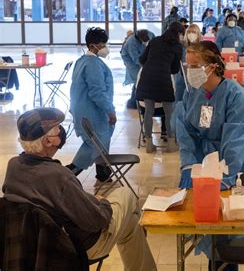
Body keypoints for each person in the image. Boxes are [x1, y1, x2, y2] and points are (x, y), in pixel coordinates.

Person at [3, 107, 157, 271]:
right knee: (126, 194)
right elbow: (97, 221)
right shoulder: (60, 176)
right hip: (75, 246)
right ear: (47, 141)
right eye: (58, 129)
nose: (62, 131)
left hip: (36, 245)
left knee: (131, 224)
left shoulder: (14, 166)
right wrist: (103, 203)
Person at [175, 40, 244, 190]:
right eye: (188, 66)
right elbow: (185, 132)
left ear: (212, 66)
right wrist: (188, 164)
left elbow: (235, 139)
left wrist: (226, 177)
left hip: (232, 160)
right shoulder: (192, 92)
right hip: (202, 157)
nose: (190, 72)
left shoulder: (235, 95)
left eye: (195, 66)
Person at [68, 27, 115, 184]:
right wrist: (110, 110)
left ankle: (103, 173)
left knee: (98, 143)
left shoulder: (82, 61)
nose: (105, 47)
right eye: (102, 44)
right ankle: (68, 174)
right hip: (92, 112)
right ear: (93, 45)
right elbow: (97, 92)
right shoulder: (93, 64)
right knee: (95, 144)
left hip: (82, 109)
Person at [137, 22, 185, 153]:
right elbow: (175, 69)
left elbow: (142, 59)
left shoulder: (155, 40)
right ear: (179, 34)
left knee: (148, 111)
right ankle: (170, 144)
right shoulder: (177, 46)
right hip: (163, 80)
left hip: (147, 79)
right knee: (169, 112)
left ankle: (149, 144)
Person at [120, 29, 155, 109]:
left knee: (144, 77)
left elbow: (156, 44)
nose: (145, 43)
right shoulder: (131, 42)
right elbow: (136, 59)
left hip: (143, 56)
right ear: (139, 39)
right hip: (130, 60)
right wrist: (146, 66)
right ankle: (134, 102)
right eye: (143, 42)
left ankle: (141, 99)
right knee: (137, 78)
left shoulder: (151, 34)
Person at [174, 24, 203, 102]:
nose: (191, 34)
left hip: (197, 77)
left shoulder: (202, 48)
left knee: (196, 99)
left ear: (198, 34)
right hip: (182, 76)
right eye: (189, 32)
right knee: (180, 99)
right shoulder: (181, 47)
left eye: (194, 32)